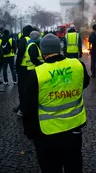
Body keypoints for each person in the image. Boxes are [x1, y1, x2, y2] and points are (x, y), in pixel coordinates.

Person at [23, 34, 90, 173]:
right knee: (74, 168)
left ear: (42, 52)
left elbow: (28, 107)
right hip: (74, 132)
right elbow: (85, 83)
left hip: (47, 135)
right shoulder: (78, 65)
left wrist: (31, 134)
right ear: (59, 49)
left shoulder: (37, 73)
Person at [15, 25, 33, 116]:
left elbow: (20, 55)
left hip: (23, 68)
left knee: (22, 90)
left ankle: (22, 108)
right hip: (32, 68)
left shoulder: (23, 40)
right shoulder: (33, 40)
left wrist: (17, 67)